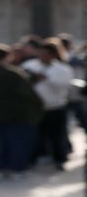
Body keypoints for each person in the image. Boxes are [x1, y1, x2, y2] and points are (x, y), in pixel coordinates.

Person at [0, 45, 43, 179]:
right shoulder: (13, 73)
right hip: (15, 115)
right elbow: (28, 94)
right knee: (17, 144)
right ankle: (17, 169)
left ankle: (0, 168)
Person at [22, 39, 75, 170]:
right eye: (40, 53)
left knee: (57, 136)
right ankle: (32, 159)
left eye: (45, 53)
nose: (42, 56)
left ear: (53, 54)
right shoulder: (30, 65)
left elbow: (64, 86)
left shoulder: (62, 68)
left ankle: (59, 159)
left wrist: (46, 78)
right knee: (33, 136)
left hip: (55, 106)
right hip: (34, 108)